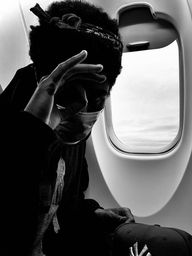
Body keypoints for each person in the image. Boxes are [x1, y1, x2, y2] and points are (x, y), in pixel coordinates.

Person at [0, 1, 135, 255]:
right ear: (43, 81)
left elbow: (64, 208)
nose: (82, 109)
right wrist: (32, 132)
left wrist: (94, 214)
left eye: (97, 98)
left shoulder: (74, 136)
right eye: (70, 94)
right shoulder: (11, 129)